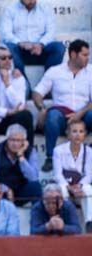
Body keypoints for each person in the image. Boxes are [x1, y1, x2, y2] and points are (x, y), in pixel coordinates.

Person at [31, 40, 92, 171]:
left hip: (84, 116)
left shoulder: (91, 71)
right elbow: (37, 92)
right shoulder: (55, 71)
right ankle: (50, 158)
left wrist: (79, 114)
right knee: (52, 115)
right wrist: (41, 108)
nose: (88, 58)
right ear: (73, 54)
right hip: (62, 117)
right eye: (84, 55)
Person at [0, 123, 41, 206]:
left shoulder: (30, 151)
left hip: (21, 191)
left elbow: (33, 178)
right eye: (12, 140)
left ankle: (38, 216)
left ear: (24, 142)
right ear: (7, 139)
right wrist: (5, 188)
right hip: (1, 193)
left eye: (18, 140)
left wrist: (21, 157)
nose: (15, 144)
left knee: (36, 186)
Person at [1, 0, 64, 72]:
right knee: (9, 47)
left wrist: (41, 44)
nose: (31, 1)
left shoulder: (45, 9)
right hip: (20, 52)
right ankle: (22, 80)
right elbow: (5, 33)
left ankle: (49, 78)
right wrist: (20, 43)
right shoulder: (10, 10)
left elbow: (51, 32)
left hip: (40, 50)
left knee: (59, 47)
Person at [54, 118, 92, 232]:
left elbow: (89, 174)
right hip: (66, 186)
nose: (78, 135)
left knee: (89, 189)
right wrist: (69, 187)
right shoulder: (58, 150)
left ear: (85, 134)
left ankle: (89, 223)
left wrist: (79, 186)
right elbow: (57, 174)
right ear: (68, 134)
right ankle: (66, 222)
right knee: (62, 189)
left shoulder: (89, 151)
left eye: (81, 132)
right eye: (74, 131)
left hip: (79, 188)